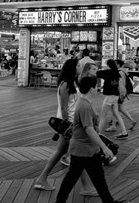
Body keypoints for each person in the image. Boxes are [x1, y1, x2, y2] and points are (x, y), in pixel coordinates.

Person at [54, 76, 128, 203]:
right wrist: (104, 148)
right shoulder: (84, 106)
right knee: (73, 178)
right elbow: (89, 129)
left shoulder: (85, 102)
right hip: (82, 149)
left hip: (88, 149)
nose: (98, 89)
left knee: (96, 178)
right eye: (96, 86)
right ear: (91, 89)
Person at [34, 58, 96, 196]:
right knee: (78, 154)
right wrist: (68, 126)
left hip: (71, 124)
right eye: (79, 66)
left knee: (61, 152)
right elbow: (63, 107)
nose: (81, 67)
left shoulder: (73, 82)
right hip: (68, 125)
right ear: (73, 68)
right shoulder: (66, 84)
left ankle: (42, 178)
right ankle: (86, 187)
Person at [97, 59, 128, 139]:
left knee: (103, 115)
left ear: (108, 65)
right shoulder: (117, 73)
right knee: (116, 114)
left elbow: (96, 74)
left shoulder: (107, 72)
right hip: (116, 96)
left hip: (109, 96)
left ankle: (98, 134)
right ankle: (124, 132)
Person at [105, 60, 136, 132]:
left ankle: (114, 126)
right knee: (120, 108)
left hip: (119, 93)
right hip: (121, 93)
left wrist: (121, 94)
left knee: (114, 109)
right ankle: (131, 120)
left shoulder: (120, 72)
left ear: (118, 65)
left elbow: (121, 84)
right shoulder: (123, 71)